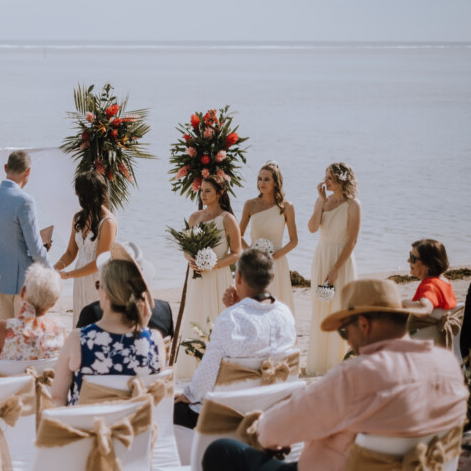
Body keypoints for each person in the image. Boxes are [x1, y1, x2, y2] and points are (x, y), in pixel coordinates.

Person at [201, 279, 467, 471]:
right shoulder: (447, 365)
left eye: (344, 332)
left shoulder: (358, 375)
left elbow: (271, 431)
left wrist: (263, 427)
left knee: (223, 450)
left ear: (363, 325)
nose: (348, 342)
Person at [173, 249, 296, 429]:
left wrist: (188, 395)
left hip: (228, 417)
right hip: (271, 410)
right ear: (272, 278)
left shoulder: (230, 319)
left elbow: (205, 379)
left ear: (238, 278)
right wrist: (238, 306)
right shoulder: (285, 315)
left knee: (174, 409)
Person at [52, 246, 165, 406]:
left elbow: (57, 397)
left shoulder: (79, 339)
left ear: (105, 293)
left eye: (99, 285)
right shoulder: (154, 341)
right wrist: (142, 326)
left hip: (87, 428)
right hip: (133, 428)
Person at [177, 175, 242, 379]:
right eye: (202, 191)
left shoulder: (227, 219)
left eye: (208, 191)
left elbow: (236, 252)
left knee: (216, 316)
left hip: (218, 276)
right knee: (195, 314)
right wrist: (191, 260)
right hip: (196, 276)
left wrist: (213, 265)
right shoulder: (194, 217)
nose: (203, 195)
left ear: (220, 193)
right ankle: (192, 367)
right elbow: (186, 247)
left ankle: (218, 367)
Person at [0, 263, 66, 380]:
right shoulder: (59, 330)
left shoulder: (4, 329)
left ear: (22, 292)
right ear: (53, 303)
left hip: (8, 397)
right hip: (45, 396)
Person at [306, 162, 361, 375]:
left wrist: (337, 268)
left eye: (330, 178)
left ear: (341, 180)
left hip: (342, 260)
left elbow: (352, 241)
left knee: (341, 308)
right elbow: (312, 229)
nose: (325, 181)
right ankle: (321, 363)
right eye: (326, 177)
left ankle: (341, 362)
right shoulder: (323, 201)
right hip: (321, 257)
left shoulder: (353, 205)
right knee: (321, 306)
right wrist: (320, 203)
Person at [0, 150, 50, 320]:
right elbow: (35, 248)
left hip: (0, 278)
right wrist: (50, 271)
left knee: (5, 337)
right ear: (28, 171)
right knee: (24, 338)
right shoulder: (25, 201)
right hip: (22, 282)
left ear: (6, 167)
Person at [53, 171, 117, 325]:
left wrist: (69, 275)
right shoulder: (79, 218)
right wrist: (54, 269)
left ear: (87, 194)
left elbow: (100, 262)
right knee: (80, 321)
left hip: (97, 281)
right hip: (80, 280)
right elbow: (70, 252)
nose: (76, 195)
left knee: (95, 322)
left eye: (79, 192)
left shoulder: (107, 222)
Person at [75, 241, 174, 338]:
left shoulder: (93, 313)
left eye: (100, 285)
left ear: (108, 285)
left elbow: (78, 350)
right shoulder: (164, 310)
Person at [238, 161, 297, 314]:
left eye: (266, 179)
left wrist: (274, 257)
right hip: (254, 263)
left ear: (276, 182)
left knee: (276, 307)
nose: (261, 183)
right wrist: (252, 253)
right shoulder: (250, 205)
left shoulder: (286, 206)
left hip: (277, 263)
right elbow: (238, 235)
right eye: (259, 179)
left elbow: (294, 240)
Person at [405, 239, 457, 310]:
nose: (408, 260)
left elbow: (424, 307)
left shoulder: (430, 285)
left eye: (413, 258)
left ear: (428, 264)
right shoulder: (445, 282)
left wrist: (404, 302)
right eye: (410, 255)